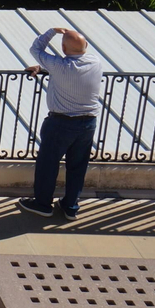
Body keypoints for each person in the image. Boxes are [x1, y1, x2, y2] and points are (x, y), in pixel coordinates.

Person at [18, 26, 104, 221]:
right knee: (78, 166)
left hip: (61, 123)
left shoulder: (59, 65)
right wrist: (43, 68)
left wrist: (52, 32)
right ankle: (70, 206)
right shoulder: (95, 62)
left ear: (64, 49)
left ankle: (43, 204)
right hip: (88, 123)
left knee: (48, 164)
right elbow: (71, 65)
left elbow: (36, 49)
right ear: (86, 46)